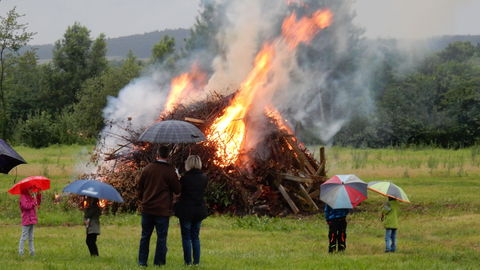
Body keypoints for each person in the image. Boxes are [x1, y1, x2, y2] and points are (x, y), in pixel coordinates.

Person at [137, 145, 180, 267]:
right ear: (168, 156)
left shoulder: (147, 168)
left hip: (147, 208)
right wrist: (177, 177)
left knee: (145, 236)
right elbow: (177, 190)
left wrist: (143, 200)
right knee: (161, 237)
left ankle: (142, 262)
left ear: (157, 155)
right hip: (162, 210)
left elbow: (140, 187)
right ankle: (159, 263)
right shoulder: (170, 171)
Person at [174, 155, 208, 265]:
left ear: (188, 163)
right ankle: (196, 262)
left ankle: (187, 262)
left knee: (186, 237)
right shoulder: (204, 177)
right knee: (195, 237)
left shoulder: (185, 178)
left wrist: (179, 178)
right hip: (199, 210)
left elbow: (180, 191)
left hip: (186, 211)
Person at [18, 186, 42, 256]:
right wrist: (33, 202)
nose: (31, 190)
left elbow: (38, 203)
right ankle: (21, 252)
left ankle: (32, 252)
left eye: (32, 188)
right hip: (26, 220)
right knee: (24, 237)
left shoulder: (31, 196)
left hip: (32, 219)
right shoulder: (23, 197)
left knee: (31, 238)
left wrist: (38, 194)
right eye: (30, 188)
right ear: (26, 189)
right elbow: (26, 206)